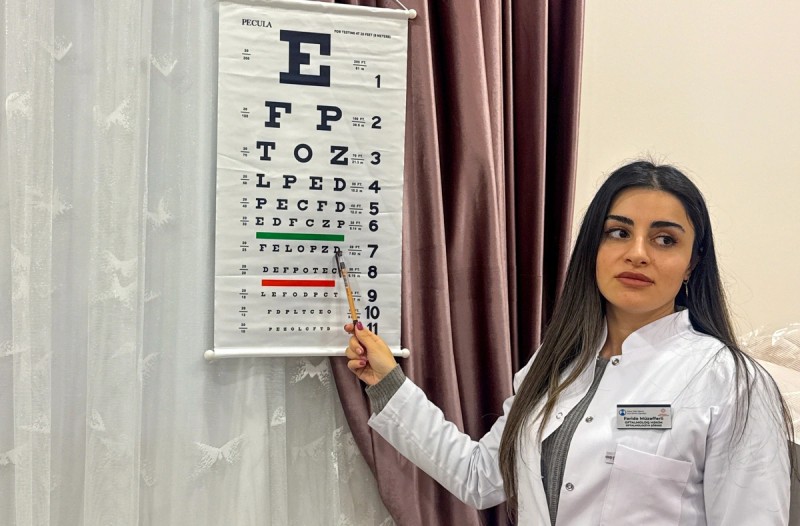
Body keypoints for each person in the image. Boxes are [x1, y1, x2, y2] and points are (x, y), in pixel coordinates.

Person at [343, 160, 794, 525]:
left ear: (692, 262)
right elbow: (479, 477)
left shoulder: (732, 383)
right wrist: (388, 383)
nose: (637, 253)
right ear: (593, 248)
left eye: (664, 239)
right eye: (618, 232)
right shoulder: (556, 363)